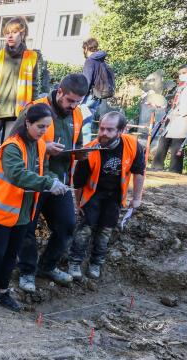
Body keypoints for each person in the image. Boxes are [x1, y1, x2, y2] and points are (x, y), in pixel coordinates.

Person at [0, 103, 70, 311]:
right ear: (27, 123)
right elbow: (18, 175)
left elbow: (44, 170)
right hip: (2, 211)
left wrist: (54, 180)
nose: (44, 132)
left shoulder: (40, 145)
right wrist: (48, 184)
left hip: (23, 212)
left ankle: (1, 291)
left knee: (11, 254)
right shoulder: (12, 146)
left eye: (47, 127)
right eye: (40, 127)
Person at [16, 74, 90, 293]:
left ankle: (46, 266)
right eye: (70, 101)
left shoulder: (76, 114)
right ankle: (27, 271)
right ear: (59, 92)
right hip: (34, 180)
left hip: (60, 180)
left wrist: (80, 154)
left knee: (67, 225)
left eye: (78, 102)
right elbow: (14, 142)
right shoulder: (35, 108)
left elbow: (76, 143)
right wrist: (43, 147)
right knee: (27, 227)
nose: (73, 106)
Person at [0, 16, 47, 195]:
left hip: (19, 113)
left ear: (23, 34)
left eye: (14, 32)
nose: (10, 36)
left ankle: (4, 179)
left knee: (10, 147)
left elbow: (36, 86)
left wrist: (33, 108)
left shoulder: (33, 57)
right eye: (7, 33)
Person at [68, 112, 145, 280]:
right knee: (85, 228)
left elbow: (139, 172)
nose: (103, 133)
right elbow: (79, 182)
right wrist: (78, 204)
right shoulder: (89, 149)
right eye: (102, 128)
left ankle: (96, 263)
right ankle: (74, 262)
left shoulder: (133, 145)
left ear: (121, 130)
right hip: (93, 194)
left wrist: (137, 198)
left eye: (109, 130)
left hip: (115, 195)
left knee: (106, 230)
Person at [151, 64, 187, 174]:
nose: (181, 75)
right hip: (174, 119)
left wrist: (181, 113)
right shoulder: (183, 86)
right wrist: (169, 116)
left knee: (177, 146)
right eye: (180, 73)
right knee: (163, 141)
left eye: (184, 73)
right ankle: (156, 167)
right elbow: (177, 104)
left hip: (184, 120)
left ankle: (174, 172)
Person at [82, 38, 114, 113]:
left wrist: (79, 98)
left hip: (89, 96)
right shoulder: (101, 61)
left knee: (84, 119)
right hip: (97, 96)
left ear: (86, 48)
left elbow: (87, 81)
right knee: (90, 117)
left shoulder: (90, 61)